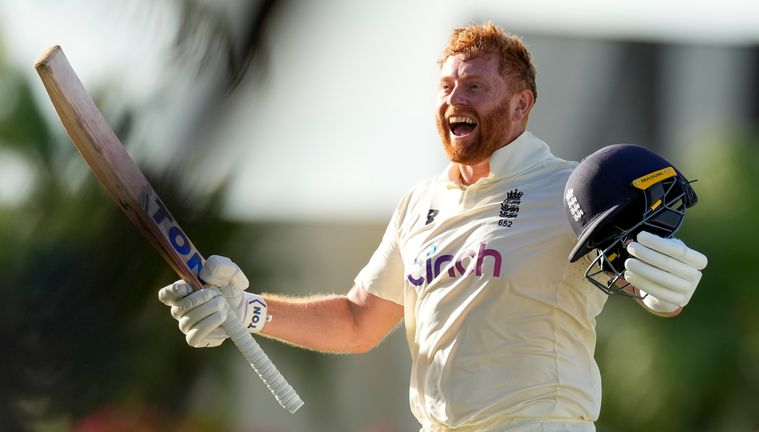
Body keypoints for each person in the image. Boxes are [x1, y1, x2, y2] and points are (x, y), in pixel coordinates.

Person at [158, 22, 708, 432]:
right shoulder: (419, 202)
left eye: (473, 87)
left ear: (522, 104)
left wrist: (664, 294)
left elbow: (641, 273)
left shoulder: (571, 188)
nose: (453, 101)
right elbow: (357, 321)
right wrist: (248, 310)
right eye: (446, 86)